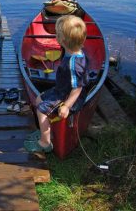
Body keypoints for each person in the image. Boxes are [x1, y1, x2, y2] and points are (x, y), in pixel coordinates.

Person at [24, 14, 88, 153]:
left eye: (57, 34)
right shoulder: (75, 51)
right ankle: (45, 129)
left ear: (62, 40)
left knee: (41, 109)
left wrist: (66, 106)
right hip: (62, 89)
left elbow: (77, 88)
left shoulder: (73, 65)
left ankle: (45, 143)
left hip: (68, 97)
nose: (56, 36)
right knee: (39, 98)